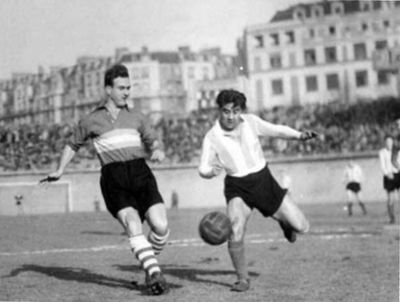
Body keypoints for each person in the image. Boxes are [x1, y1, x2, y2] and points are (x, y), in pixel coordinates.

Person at [41, 64, 169, 295]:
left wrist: (157, 150)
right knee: (133, 225)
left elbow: (153, 140)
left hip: (141, 174)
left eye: (129, 88)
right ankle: (155, 273)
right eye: (121, 88)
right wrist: (60, 169)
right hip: (114, 179)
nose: (127, 92)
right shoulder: (91, 120)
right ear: (108, 89)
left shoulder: (138, 116)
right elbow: (72, 145)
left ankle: (148, 265)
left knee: (161, 226)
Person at [198, 89, 317, 292]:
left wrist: (299, 135)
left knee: (302, 227)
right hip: (237, 187)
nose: (231, 116)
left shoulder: (251, 122)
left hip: (263, 181)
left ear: (241, 111)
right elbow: (202, 168)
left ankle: (285, 224)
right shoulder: (212, 137)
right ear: (220, 111)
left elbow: (276, 130)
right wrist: (212, 171)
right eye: (226, 111)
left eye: (235, 111)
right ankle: (242, 279)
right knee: (235, 228)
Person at [379, 135, 400, 224]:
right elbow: (382, 165)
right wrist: (387, 174)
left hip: (398, 174)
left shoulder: (397, 151)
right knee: (390, 198)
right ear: (385, 143)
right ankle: (392, 218)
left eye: (390, 141)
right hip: (389, 176)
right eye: (387, 142)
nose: (389, 143)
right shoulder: (382, 152)